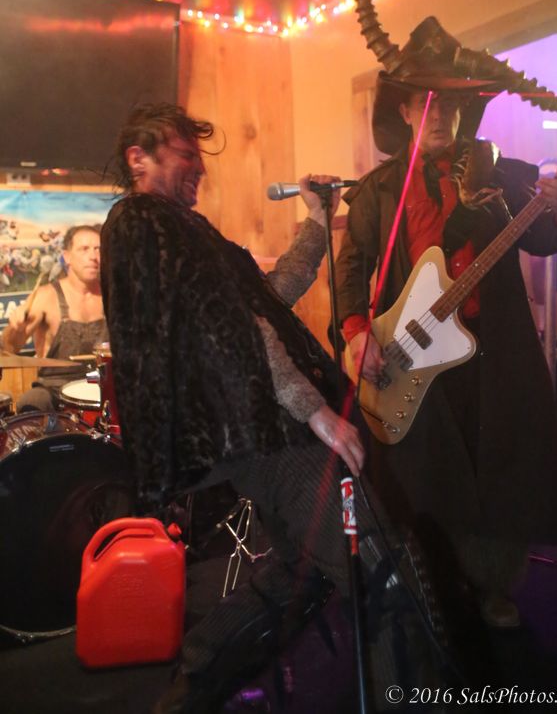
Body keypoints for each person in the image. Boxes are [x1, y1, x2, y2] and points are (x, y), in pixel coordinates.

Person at [101, 102, 449, 714]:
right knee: (383, 573)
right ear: (139, 158)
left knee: (302, 574)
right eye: (185, 155)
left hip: (254, 429)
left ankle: (191, 692)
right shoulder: (142, 220)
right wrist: (313, 409)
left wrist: (316, 219)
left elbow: (268, 297)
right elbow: (233, 323)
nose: (198, 168)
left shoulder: (179, 229)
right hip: (268, 428)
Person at [335, 10, 557, 633]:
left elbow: (545, 239)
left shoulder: (499, 176)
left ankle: (497, 585)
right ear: (403, 110)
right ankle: (437, 585)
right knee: (427, 477)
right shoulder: (377, 191)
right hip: (412, 353)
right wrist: (357, 332)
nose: (439, 115)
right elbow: (351, 266)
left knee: (500, 465)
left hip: (494, 353)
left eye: (449, 104)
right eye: (426, 103)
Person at [1, 224, 107, 412]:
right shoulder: (46, 296)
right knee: (32, 400)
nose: (93, 256)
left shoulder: (112, 296)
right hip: (54, 392)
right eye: (84, 249)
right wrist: (15, 328)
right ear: (67, 257)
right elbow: (9, 349)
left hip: (101, 388)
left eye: (98, 249)